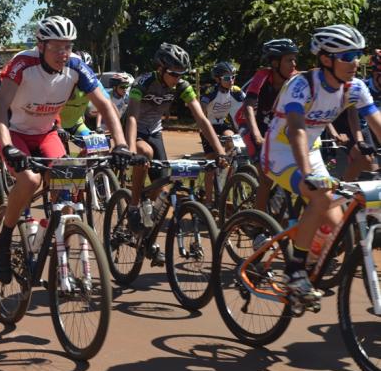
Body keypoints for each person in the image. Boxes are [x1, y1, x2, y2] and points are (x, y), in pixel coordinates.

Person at [0, 15, 133, 284]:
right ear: (41, 45)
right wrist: (8, 147)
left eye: (67, 46)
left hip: (46, 133)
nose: (63, 53)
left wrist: (121, 144)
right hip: (16, 133)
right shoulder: (23, 63)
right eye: (56, 47)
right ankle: (5, 236)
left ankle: (56, 245)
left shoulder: (76, 66)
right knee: (30, 179)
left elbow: (105, 106)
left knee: (68, 190)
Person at [262, 24, 381, 302]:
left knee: (335, 222)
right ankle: (294, 271)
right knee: (319, 195)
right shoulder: (302, 84)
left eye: (357, 55)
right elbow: (296, 129)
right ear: (326, 59)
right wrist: (307, 174)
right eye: (347, 56)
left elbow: (377, 125)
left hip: (310, 150)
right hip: (281, 151)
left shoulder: (355, 87)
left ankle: (310, 258)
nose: (355, 62)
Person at [124, 43, 227, 245]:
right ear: (161, 69)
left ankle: (147, 225)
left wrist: (220, 152)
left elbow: (202, 119)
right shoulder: (142, 83)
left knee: (161, 181)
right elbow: (132, 118)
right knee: (144, 153)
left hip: (154, 130)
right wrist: (130, 150)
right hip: (133, 127)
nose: (178, 78)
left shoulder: (182, 86)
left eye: (182, 74)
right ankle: (133, 206)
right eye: (174, 73)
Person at [235, 39, 299, 211]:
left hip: (272, 127)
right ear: (275, 63)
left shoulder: (295, 79)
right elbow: (248, 107)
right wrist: (256, 134)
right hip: (249, 124)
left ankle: (276, 209)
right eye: (289, 60)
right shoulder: (262, 76)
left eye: (294, 59)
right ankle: (258, 227)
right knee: (266, 178)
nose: (294, 64)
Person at [199, 61, 245, 206]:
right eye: (227, 78)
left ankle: (225, 171)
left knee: (232, 139)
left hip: (222, 124)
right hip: (208, 126)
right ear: (218, 80)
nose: (231, 81)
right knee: (211, 164)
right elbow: (202, 109)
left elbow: (248, 106)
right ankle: (207, 201)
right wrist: (204, 127)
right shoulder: (211, 91)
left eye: (233, 77)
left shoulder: (236, 90)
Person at [58, 51, 111, 138]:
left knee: (97, 145)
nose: (82, 75)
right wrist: (58, 127)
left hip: (77, 125)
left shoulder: (94, 83)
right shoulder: (61, 83)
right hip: (56, 126)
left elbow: (107, 105)